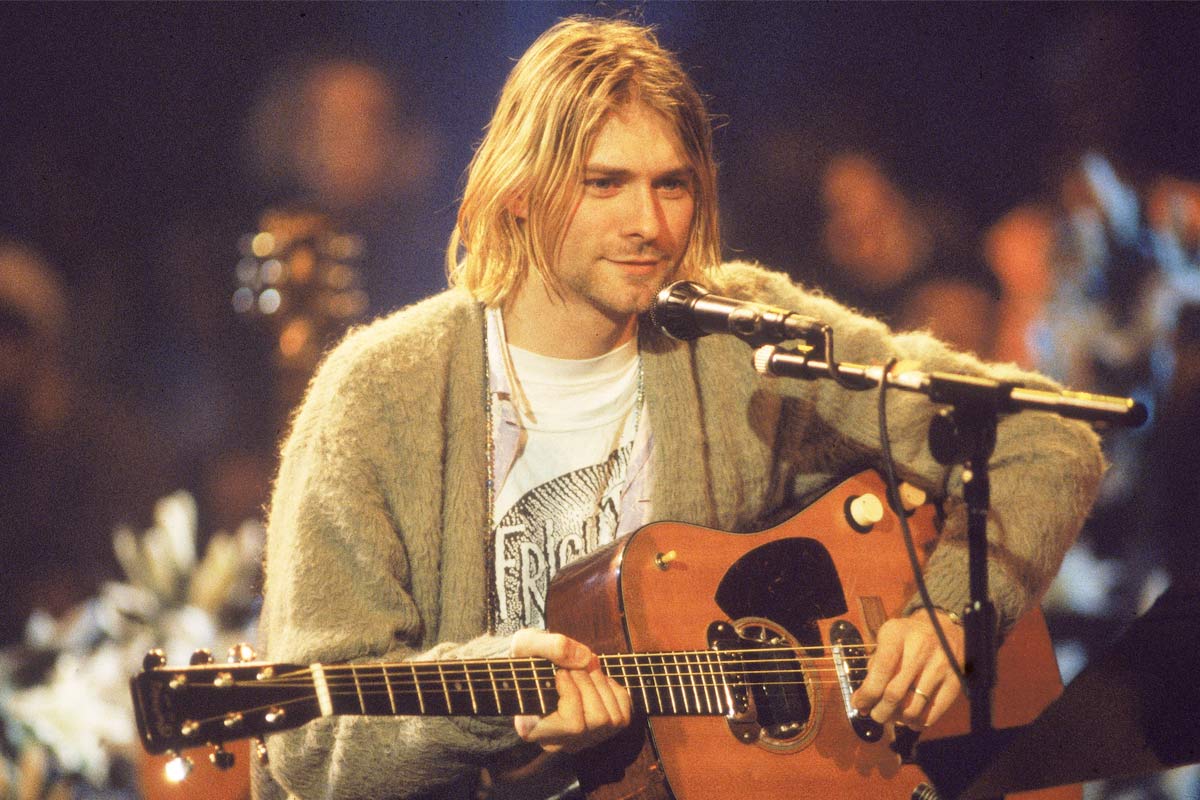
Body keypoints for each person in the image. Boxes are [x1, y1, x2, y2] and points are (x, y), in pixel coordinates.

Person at [256, 16, 1103, 800]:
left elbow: (1045, 439)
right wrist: (490, 705)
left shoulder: (740, 341)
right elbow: (308, 740)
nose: (649, 224)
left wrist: (952, 616)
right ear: (518, 190)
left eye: (672, 185)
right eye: (605, 183)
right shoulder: (376, 394)